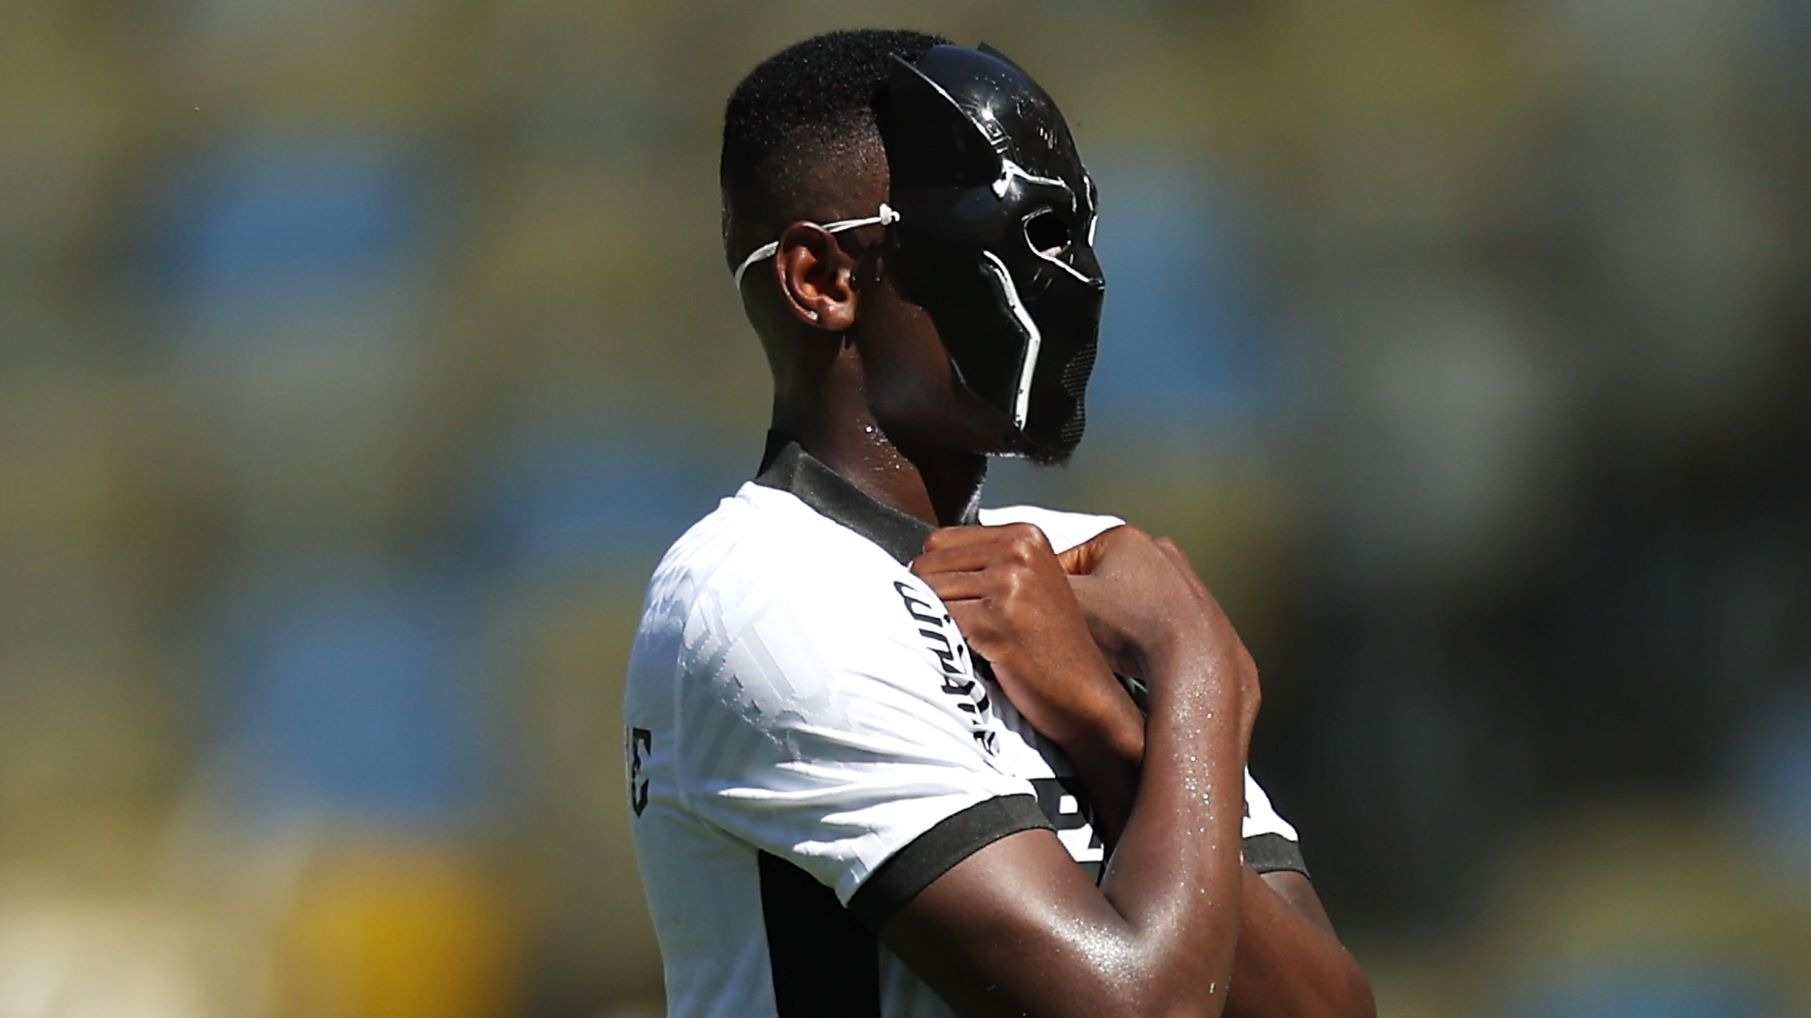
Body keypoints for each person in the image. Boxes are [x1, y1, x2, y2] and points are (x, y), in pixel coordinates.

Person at [625, 28, 1374, 1018]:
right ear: (822, 280)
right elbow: (1136, 1006)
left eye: (1077, 231)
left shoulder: (1097, 571)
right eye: (1021, 232)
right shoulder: (764, 597)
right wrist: (1197, 669)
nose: (1074, 280)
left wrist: (1113, 729)